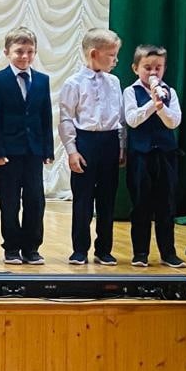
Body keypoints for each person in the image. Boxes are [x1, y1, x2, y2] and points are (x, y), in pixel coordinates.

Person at [0, 27, 54, 266]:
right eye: (19, 51)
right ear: (7, 52)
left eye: (29, 51)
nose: (24, 56)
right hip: (9, 152)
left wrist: (48, 149)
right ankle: (12, 247)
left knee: (35, 199)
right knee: (10, 201)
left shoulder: (42, 80)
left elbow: (46, 116)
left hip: (34, 150)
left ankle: (32, 247)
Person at [58, 27, 125, 266]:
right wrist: (72, 150)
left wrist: (121, 146)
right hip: (86, 142)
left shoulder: (114, 82)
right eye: (112, 55)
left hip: (109, 142)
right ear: (94, 54)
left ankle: (104, 249)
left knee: (107, 199)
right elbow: (66, 118)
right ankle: (79, 249)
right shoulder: (73, 83)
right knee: (83, 199)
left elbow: (120, 117)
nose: (116, 60)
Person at [124, 44, 185, 268]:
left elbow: (173, 122)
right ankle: (140, 253)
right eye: (147, 68)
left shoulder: (170, 92)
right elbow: (132, 120)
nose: (153, 72)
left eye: (158, 68)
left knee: (166, 205)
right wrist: (152, 102)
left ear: (164, 69)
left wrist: (161, 107)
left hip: (165, 155)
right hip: (140, 156)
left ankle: (168, 253)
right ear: (136, 68)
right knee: (141, 204)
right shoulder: (131, 92)